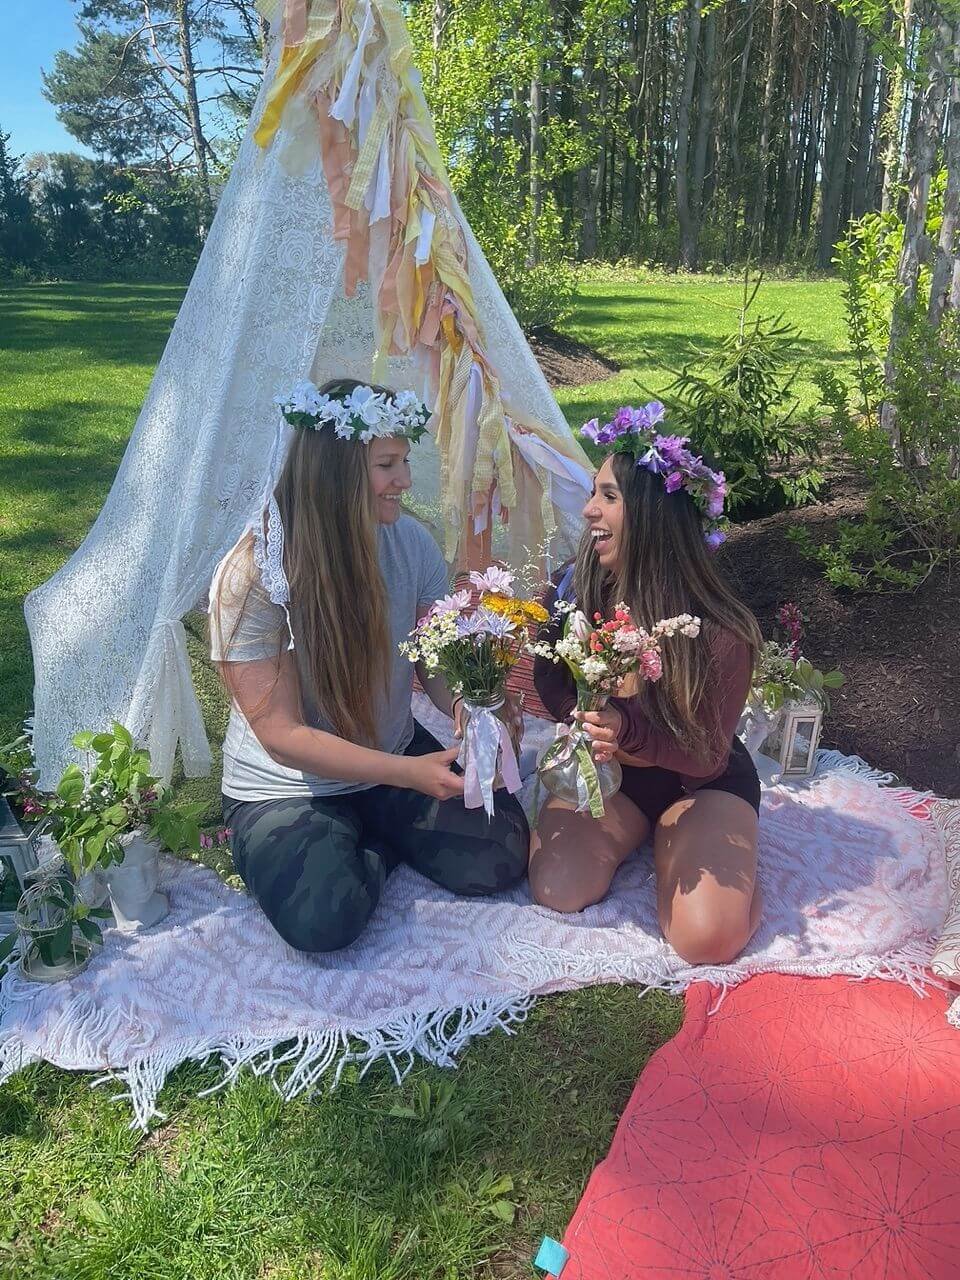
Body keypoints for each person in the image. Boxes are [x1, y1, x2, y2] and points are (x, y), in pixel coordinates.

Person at [208, 378, 528, 954]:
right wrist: (407, 776)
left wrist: (468, 704)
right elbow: (282, 736)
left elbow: (433, 659)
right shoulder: (254, 573)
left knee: (500, 855)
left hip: (392, 750)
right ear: (337, 470)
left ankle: (364, 830)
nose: (405, 480)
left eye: (405, 460)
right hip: (288, 787)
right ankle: (367, 838)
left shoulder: (410, 543)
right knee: (323, 920)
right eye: (387, 464)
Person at [529, 405, 762, 966]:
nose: (588, 510)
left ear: (654, 514)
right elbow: (549, 673)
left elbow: (705, 754)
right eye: (593, 493)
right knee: (557, 887)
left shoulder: (720, 630)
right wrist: (583, 716)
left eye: (609, 496)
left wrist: (627, 726)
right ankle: (644, 838)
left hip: (697, 784)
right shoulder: (578, 587)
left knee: (706, 939)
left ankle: (691, 846)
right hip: (611, 778)